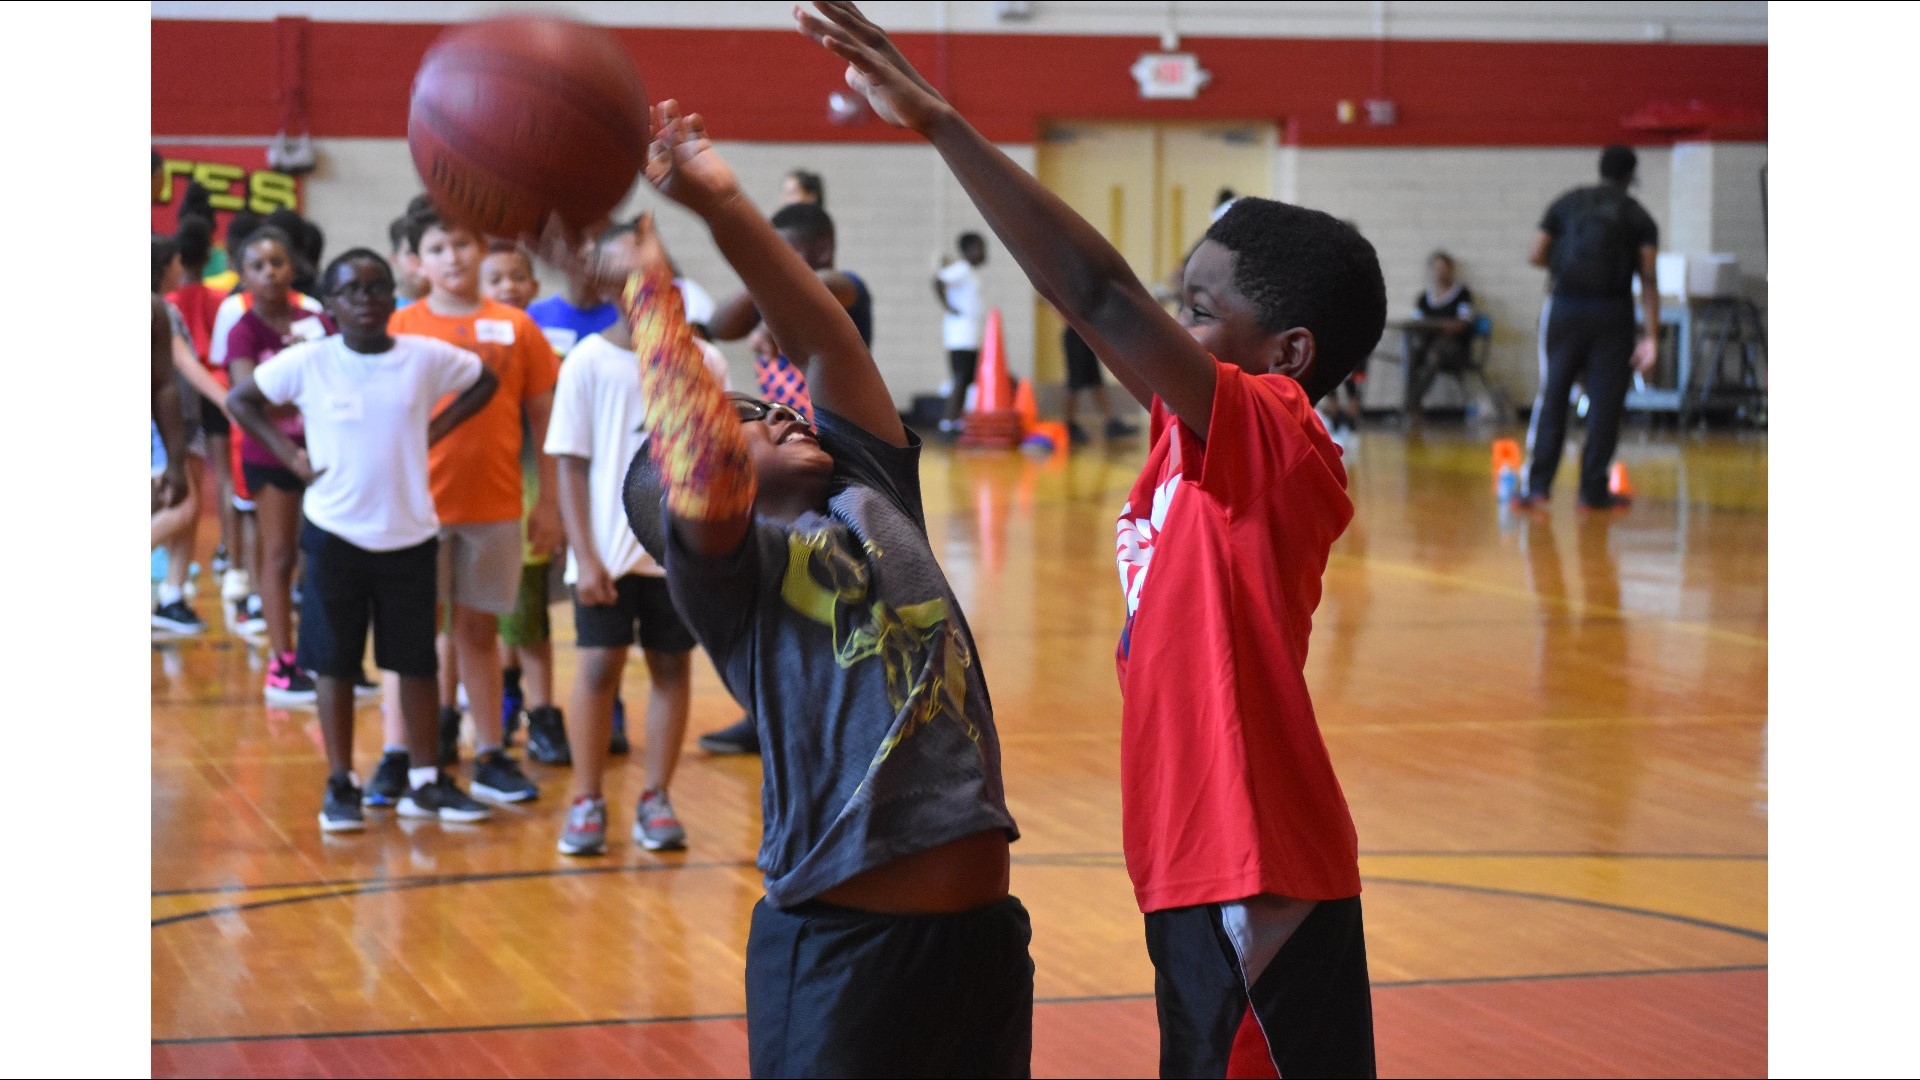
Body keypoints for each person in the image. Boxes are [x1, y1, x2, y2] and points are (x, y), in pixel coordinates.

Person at [797, 4, 1384, 1075]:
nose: (1169, 323)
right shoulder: (1186, 437)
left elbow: (1099, 297)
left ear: (1288, 351)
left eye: (1196, 308)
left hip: (1256, 861)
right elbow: (1092, 307)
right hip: (1193, 856)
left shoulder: (1279, 434)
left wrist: (938, 120)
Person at [568, 102, 1028, 1077]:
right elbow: (701, 478)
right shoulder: (732, 576)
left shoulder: (869, 490)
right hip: (843, 957)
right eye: (744, 416)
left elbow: (826, 344)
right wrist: (647, 289)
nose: (774, 410)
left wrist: (723, 205)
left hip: (983, 941)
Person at [227, 248, 501, 831]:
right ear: (330, 304)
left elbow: (485, 378)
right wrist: (289, 456)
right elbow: (240, 399)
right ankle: (341, 782)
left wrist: (439, 427)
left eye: (377, 289)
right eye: (352, 291)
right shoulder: (312, 362)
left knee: (416, 662)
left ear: (391, 299)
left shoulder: (423, 358)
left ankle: (424, 781)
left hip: (410, 534)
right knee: (335, 664)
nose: (367, 300)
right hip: (335, 535)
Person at [545, 219, 729, 855]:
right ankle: (587, 800)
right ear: (606, 289)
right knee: (597, 668)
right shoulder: (588, 364)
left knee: (671, 668)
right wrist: (585, 554)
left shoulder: (706, 362)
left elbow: (717, 460)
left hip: (677, 555)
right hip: (606, 555)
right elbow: (569, 464)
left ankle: (656, 797)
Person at [364, 209, 559, 808]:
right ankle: (398, 754)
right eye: (438, 247)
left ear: (480, 250)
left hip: (495, 506)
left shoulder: (517, 327)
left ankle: (492, 754)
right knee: (411, 637)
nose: (452, 257)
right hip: (414, 511)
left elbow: (546, 421)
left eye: (462, 244)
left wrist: (548, 500)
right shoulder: (398, 325)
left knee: (478, 632)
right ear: (416, 261)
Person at [697, 200, 875, 756]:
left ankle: (844, 702)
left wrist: (776, 272)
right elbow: (718, 324)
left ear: (819, 249)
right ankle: (766, 707)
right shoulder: (766, 297)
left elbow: (828, 286)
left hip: (832, 454)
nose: (770, 262)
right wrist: (760, 273)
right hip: (776, 461)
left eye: (784, 251)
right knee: (772, 590)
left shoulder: (845, 287)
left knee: (836, 586)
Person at [223, 226, 335, 702]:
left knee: (326, 558)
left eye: (277, 263)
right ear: (243, 275)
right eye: (258, 265)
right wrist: (297, 389)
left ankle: (328, 656)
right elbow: (253, 399)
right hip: (272, 455)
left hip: (329, 455)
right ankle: (283, 662)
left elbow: (338, 381)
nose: (269, 273)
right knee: (280, 555)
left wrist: (293, 388)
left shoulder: (318, 319)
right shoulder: (243, 331)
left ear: (293, 268)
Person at [1522, 144, 1660, 510]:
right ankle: (1593, 492)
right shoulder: (1638, 215)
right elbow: (1648, 277)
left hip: (1565, 307)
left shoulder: (1567, 202)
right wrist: (1652, 336)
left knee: (1554, 396)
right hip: (1613, 312)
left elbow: (1536, 254)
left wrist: (1568, 269)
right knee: (1605, 403)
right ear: (1631, 174)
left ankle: (1537, 487)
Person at [479, 241, 566, 764]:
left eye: (518, 277)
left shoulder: (545, 355)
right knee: (481, 626)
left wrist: (551, 506)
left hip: (526, 506)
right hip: (473, 510)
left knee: (529, 624)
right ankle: (496, 702)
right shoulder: (460, 346)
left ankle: (545, 714)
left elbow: (553, 437)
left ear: (533, 287)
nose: (509, 287)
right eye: (497, 279)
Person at [1403, 251, 1478, 426]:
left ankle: (1411, 403)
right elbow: (1417, 324)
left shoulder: (1462, 294)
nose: (1440, 272)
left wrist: (1435, 327)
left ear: (1450, 270)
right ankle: (1412, 406)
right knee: (1412, 353)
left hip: (1455, 350)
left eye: (1444, 268)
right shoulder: (1424, 297)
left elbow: (1462, 324)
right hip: (1428, 345)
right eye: (1436, 268)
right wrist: (1440, 326)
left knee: (1435, 353)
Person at [932, 231, 988, 435]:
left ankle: (957, 419)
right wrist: (948, 306)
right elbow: (937, 280)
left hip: (971, 335)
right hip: (960, 335)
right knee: (960, 377)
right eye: (979, 248)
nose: (983, 253)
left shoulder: (972, 273)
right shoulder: (961, 269)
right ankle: (947, 422)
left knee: (967, 379)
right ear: (967, 251)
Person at [1061, 324, 1139, 445]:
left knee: (1096, 381)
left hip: (1086, 334)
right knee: (1074, 383)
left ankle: (1111, 423)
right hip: (1075, 334)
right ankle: (1068, 427)